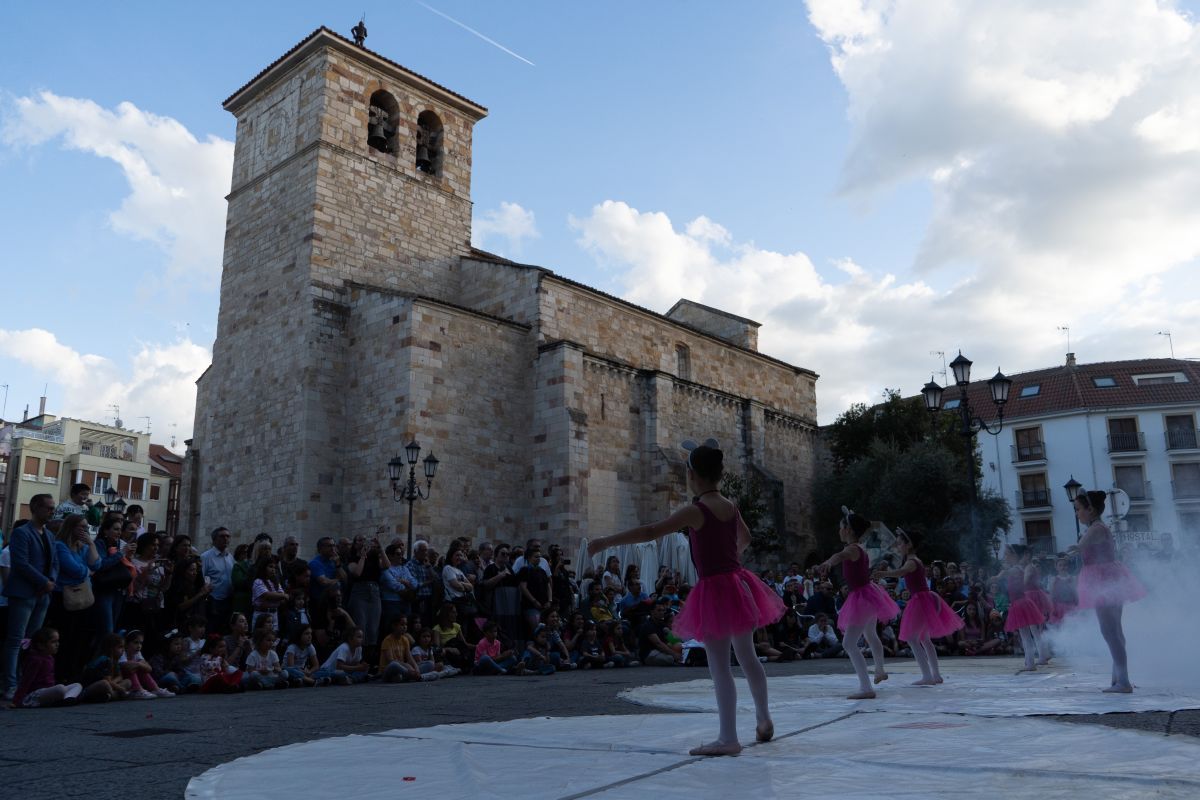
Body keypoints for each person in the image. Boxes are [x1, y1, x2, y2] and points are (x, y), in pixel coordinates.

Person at [589, 439, 783, 756]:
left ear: (691, 475)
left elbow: (651, 531)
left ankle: (728, 737)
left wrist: (606, 541)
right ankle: (763, 718)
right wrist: (728, 561)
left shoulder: (697, 510)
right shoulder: (731, 506)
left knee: (720, 665)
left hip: (716, 588)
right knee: (747, 657)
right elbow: (745, 538)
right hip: (738, 582)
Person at [816, 507, 899, 699]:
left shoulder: (852, 548)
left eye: (841, 527)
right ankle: (879, 670)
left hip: (862, 597)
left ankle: (866, 687)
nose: (839, 531)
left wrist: (828, 562)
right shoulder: (861, 547)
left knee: (848, 643)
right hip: (870, 594)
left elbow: (840, 556)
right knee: (870, 634)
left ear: (849, 530)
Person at [1074, 490, 1146, 693]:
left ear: (1091, 509)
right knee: (1114, 630)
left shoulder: (1096, 528)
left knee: (1110, 631)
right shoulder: (1098, 527)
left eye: (1079, 509)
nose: (1077, 513)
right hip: (1107, 577)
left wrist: (1067, 552)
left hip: (1103, 579)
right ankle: (1119, 678)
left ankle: (1123, 681)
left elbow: (1079, 546)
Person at [873, 528, 962, 686]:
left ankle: (928, 675)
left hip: (920, 600)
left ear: (909, 545)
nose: (898, 546)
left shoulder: (912, 561)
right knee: (924, 639)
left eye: (900, 543)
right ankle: (935, 675)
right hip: (925, 599)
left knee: (913, 639)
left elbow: (900, 572)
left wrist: (883, 574)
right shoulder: (915, 560)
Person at [3, 493, 59, 700]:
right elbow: (21, 562)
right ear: (35, 508)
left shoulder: (50, 536)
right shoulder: (22, 533)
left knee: (34, 641)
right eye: (49, 508)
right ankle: (11, 683)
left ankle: (29, 682)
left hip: (43, 593)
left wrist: (50, 580)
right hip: (25, 592)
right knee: (16, 639)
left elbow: (54, 562)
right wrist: (44, 581)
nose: (52, 511)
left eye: (53, 508)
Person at [48, 513, 100, 681]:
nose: (85, 530)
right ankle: (62, 674)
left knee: (82, 638)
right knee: (67, 637)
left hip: (84, 596)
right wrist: (88, 572)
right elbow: (74, 569)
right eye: (82, 527)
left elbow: (97, 564)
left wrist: (91, 543)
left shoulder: (82, 547)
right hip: (65, 597)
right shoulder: (60, 545)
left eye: (87, 527)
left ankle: (75, 673)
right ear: (72, 527)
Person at [10, 627, 84, 708]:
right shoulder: (35, 660)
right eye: (53, 642)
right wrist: (16, 701)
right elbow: (26, 681)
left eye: (57, 641)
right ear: (41, 646)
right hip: (36, 694)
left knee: (77, 685)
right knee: (60, 688)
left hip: (48, 691)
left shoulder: (50, 658)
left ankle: (67, 700)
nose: (57, 644)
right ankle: (62, 699)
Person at [1002, 544, 1049, 673]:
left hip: (1020, 602)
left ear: (1014, 555)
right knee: (1028, 634)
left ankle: (1031, 662)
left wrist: (998, 575)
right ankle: (1031, 661)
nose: (1004, 557)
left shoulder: (1015, 569)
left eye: (1006, 554)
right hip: (1021, 601)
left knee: (1027, 635)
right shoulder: (1019, 568)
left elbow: (1014, 579)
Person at [118, 630, 174, 698]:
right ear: (126, 644)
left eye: (141, 643)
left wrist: (138, 665)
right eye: (136, 642)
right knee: (134, 669)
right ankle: (137, 690)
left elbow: (149, 669)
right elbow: (127, 668)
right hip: (123, 680)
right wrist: (139, 665)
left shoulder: (137, 653)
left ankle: (155, 689)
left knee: (142, 669)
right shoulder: (122, 653)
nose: (139, 646)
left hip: (132, 676)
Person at [201, 528, 235, 634]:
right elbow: (202, 577)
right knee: (213, 630)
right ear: (214, 539)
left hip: (229, 600)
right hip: (214, 601)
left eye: (228, 536)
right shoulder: (206, 557)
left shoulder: (230, 557)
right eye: (222, 536)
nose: (226, 539)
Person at [380, 616, 420, 682]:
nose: (405, 627)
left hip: (403, 669)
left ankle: (410, 675)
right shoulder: (387, 640)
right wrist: (407, 666)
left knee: (429, 664)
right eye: (402, 624)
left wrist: (417, 669)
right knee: (394, 665)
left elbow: (410, 658)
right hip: (388, 670)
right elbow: (391, 661)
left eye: (406, 624)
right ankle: (412, 675)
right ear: (394, 626)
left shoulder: (405, 639)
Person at [1048, 556, 1078, 625]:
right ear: (1056, 567)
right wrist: (1052, 607)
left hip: (1071, 605)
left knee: (1073, 624)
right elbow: (1052, 594)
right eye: (1060, 565)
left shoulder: (1072, 578)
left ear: (1068, 566)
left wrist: (1077, 603)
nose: (1063, 567)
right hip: (1059, 606)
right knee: (1061, 625)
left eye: (1065, 565)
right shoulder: (1054, 579)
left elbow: (1075, 592)